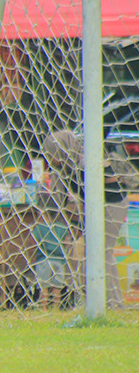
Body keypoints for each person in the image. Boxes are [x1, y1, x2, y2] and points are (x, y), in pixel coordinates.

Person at [42, 129, 129, 308]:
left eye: (52, 155)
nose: (50, 160)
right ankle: (94, 300)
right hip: (95, 207)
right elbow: (66, 200)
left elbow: (113, 180)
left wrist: (95, 172)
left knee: (102, 252)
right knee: (90, 253)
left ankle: (113, 303)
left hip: (113, 204)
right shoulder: (64, 168)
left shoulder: (87, 158)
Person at [31, 192, 69, 308]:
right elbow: (67, 242)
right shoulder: (62, 227)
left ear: (41, 212)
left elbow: (34, 242)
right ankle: (56, 308)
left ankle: (44, 307)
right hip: (59, 262)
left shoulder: (40, 228)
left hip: (43, 261)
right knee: (56, 288)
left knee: (44, 287)